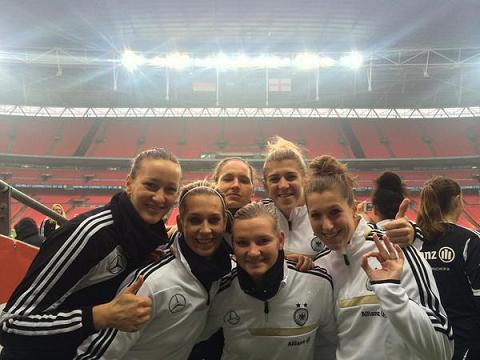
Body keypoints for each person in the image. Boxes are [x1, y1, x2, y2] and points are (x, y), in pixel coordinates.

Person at [0, 148, 182, 360]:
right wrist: (99, 316)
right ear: (129, 184)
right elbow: (10, 325)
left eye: (170, 190)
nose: (160, 198)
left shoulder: (147, 238)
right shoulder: (91, 234)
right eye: (150, 185)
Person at [307, 155, 453, 360]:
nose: (327, 226)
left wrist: (390, 290)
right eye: (316, 215)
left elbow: (442, 350)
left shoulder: (395, 250)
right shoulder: (320, 266)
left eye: (335, 212)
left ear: (354, 206)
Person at [76, 181, 232, 359]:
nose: (205, 230)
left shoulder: (227, 275)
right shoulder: (150, 282)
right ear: (180, 224)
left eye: (213, 220)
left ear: (224, 222)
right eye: (195, 220)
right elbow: (94, 354)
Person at [203, 202, 336, 359]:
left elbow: (327, 346)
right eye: (242, 243)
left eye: (263, 241)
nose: (253, 252)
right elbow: (190, 339)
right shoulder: (220, 289)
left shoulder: (318, 284)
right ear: (233, 245)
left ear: (280, 241)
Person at [417, 176, 480, 360]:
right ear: (456, 200)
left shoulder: (414, 239)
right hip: (463, 341)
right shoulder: (470, 240)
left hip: (422, 337)